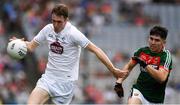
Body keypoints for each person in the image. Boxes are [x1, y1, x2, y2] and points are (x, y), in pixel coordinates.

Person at [10, 4, 128, 104]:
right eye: (53, 21)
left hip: (65, 83)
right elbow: (31, 46)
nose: (55, 25)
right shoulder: (47, 29)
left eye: (59, 22)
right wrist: (21, 43)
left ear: (66, 20)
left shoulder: (73, 34)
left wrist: (113, 69)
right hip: (48, 78)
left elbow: (96, 50)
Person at [114, 26, 172, 104]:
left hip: (156, 99)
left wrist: (145, 65)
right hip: (139, 90)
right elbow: (128, 66)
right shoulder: (142, 52)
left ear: (163, 42)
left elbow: (161, 78)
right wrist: (119, 82)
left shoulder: (165, 56)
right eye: (151, 38)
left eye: (157, 40)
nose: (153, 42)